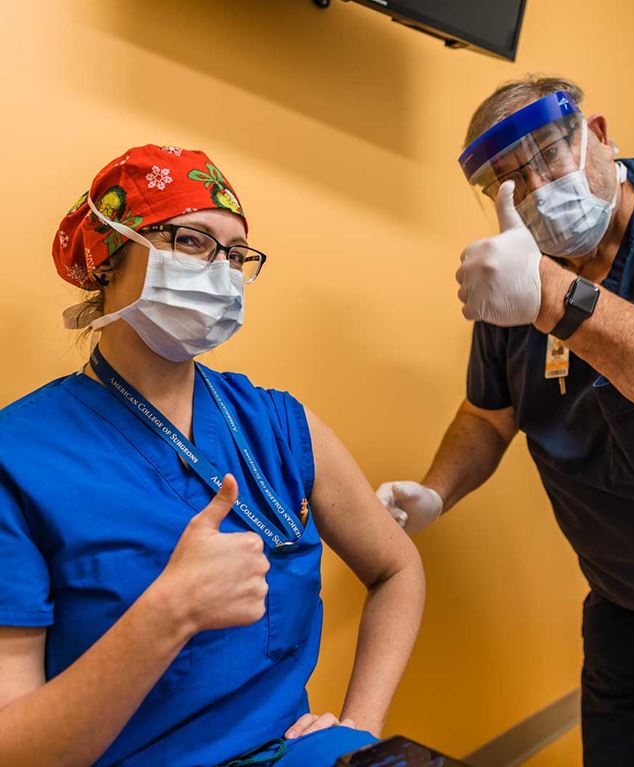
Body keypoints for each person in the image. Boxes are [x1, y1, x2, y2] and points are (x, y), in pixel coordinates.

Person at [377, 76, 634, 767]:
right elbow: (489, 412)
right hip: (626, 581)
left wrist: (558, 298)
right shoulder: (517, 270)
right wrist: (436, 490)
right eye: (508, 180)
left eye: (547, 157)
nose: (535, 189)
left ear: (598, 134)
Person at [0, 145, 425, 767]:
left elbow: (397, 569)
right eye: (192, 241)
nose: (220, 270)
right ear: (107, 257)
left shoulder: (279, 424)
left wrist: (358, 726)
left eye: (235, 254)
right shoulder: (21, 457)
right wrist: (168, 614)